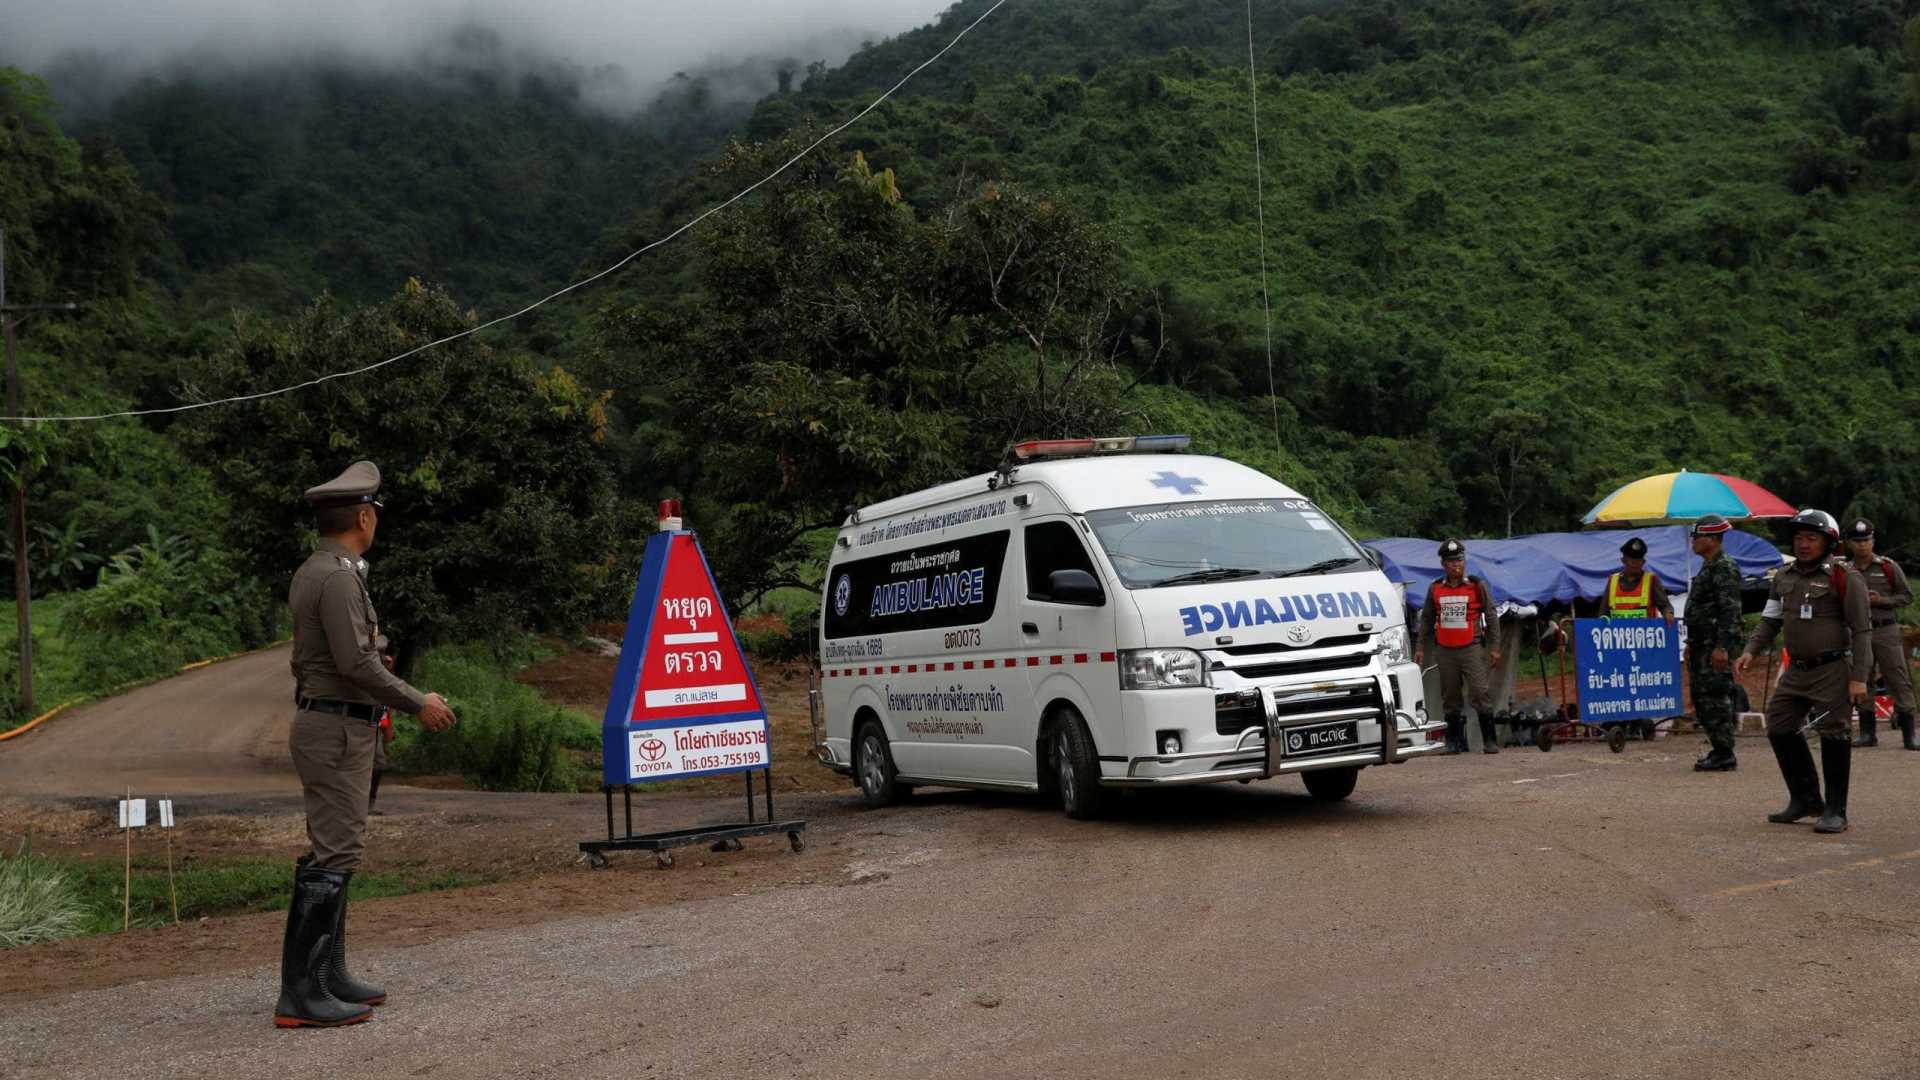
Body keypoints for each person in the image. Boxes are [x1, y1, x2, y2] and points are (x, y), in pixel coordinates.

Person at [276, 461, 457, 1028]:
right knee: (335, 855)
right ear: (362, 516)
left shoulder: (326, 570)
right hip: (335, 729)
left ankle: (328, 976)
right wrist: (416, 702)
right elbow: (355, 661)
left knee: (338, 851)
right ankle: (303, 994)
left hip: (339, 726)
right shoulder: (335, 577)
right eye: (374, 511)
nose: (375, 519)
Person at [1735, 509, 1871, 834]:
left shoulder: (1844, 576)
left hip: (1832, 669)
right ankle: (1806, 799)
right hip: (1796, 671)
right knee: (1780, 725)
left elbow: (1862, 629)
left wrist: (1859, 678)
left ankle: (1836, 811)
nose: (1804, 544)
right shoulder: (1783, 577)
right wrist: (1750, 650)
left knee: (1834, 733)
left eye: (1811, 537)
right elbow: (1770, 620)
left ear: (1828, 542)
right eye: (1798, 537)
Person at [1415, 538, 1503, 754]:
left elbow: (1491, 615)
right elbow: (1427, 618)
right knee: (1450, 697)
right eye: (1452, 562)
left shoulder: (1476, 585)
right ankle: (1453, 742)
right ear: (1444, 565)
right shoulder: (1435, 588)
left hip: (1471, 647)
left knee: (1479, 692)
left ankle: (1489, 741)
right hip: (1445, 649)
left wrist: (1495, 646)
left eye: (1460, 560)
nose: (1457, 565)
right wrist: (1420, 647)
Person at [1842, 518, 1916, 750]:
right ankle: (1867, 733)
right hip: (1858, 631)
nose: (1862, 545)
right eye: (1857, 541)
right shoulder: (1845, 570)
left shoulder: (1887, 566)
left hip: (1886, 629)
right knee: (1861, 677)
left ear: (1873, 541)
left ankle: (1909, 734)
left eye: (1866, 540)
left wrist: (1881, 600)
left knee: (1898, 678)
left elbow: (1907, 596)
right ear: (1850, 544)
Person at [1685, 515, 1743, 772]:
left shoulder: (1724, 567)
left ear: (1712, 539)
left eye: (1697, 537)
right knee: (1702, 697)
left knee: (1716, 697)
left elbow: (1729, 610)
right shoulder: (1709, 566)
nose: (1693, 541)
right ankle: (1719, 748)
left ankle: (1724, 752)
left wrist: (1722, 647)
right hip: (1701, 644)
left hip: (1714, 646)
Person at [1603, 536, 1675, 625]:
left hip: (1646, 635)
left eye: (1638, 561)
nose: (1634, 564)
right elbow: (1604, 612)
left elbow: (1664, 605)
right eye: (1631, 560)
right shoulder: (1612, 580)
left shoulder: (1652, 580)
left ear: (1643, 562)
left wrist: (1668, 613)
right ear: (1623, 561)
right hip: (1618, 636)